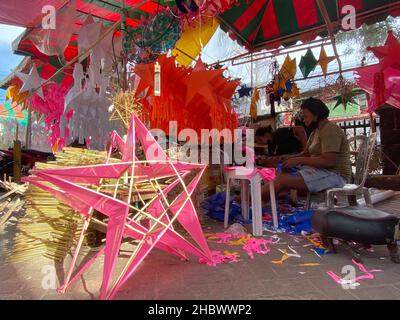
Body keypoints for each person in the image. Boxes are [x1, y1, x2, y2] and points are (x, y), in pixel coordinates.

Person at [262, 97, 351, 200]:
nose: (304, 121)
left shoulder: (330, 129)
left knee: (282, 180)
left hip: (336, 176)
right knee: (282, 172)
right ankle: (267, 201)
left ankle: (246, 199)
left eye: (306, 117)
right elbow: (306, 154)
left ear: (316, 115)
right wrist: (288, 158)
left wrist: (297, 160)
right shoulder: (315, 132)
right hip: (322, 172)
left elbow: (329, 161)